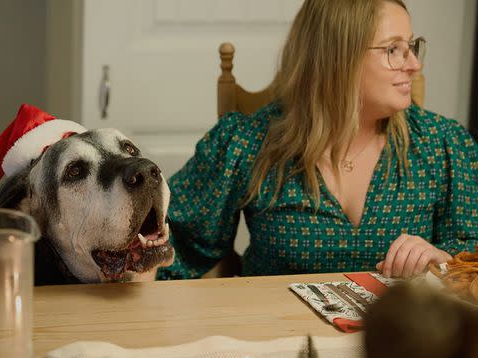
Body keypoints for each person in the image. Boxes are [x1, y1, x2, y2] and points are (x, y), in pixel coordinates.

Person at [158, 0, 478, 280]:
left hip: (396, 344)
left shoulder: (443, 145)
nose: (414, 65)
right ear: (338, 58)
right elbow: (172, 245)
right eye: (394, 49)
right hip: (274, 337)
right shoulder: (247, 143)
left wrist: (445, 262)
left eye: (412, 46)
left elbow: (470, 250)